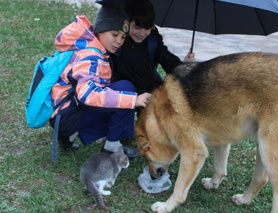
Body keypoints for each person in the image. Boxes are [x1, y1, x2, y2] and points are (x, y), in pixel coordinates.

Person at [49, 1, 150, 159]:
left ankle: (70, 136)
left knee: (118, 94)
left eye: (123, 37)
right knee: (126, 89)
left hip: (65, 113)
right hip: (66, 116)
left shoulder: (91, 48)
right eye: (115, 35)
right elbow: (87, 95)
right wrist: (133, 100)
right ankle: (112, 149)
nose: (119, 41)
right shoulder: (90, 56)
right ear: (100, 30)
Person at [111, 0, 196, 96]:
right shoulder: (117, 41)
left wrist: (184, 68)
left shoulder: (153, 39)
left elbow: (169, 61)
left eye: (147, 28)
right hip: (126, 94)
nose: (142, 34)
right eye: (137, 27)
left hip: (151, 93)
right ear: (126, 22)